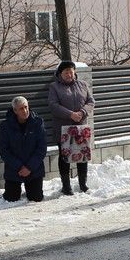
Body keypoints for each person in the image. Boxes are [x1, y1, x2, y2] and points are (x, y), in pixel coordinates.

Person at [47, 60, 95, 195]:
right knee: (65, 158)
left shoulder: (83, 85)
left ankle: (83, 184)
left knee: (83, 156)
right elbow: (53, 105)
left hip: (81, 127)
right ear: (60, 74)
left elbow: (91, 101)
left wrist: (82, 112)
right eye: (66, 72)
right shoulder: (54, 87)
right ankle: (66, 186)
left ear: (75, 72)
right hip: (63, 129)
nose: (69, 74)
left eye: (71, 71)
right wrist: (71, 114)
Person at [0, 96, 47, 202]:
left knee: (36, 198)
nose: (25, 111)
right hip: (14, 170)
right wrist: (19, 167)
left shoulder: (37, 123)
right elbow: (3, 150)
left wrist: (29, 167)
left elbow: (41, 148)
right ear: (15, 111)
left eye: (26, 107)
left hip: (34, 169)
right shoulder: (6, 126)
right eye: (21, 108)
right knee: (11, 198)